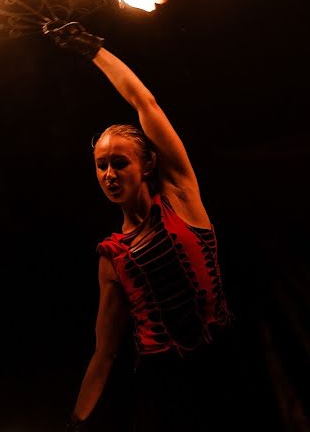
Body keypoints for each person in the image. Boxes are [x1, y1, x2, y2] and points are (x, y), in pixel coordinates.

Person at [44, 22, 235, 432]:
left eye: (119, 162)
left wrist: (92, 50)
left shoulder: (181, 195)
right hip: (164, 388)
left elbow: (142, 100)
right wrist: (75, 421)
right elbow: (105, 354)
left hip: (224, 370)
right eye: (101, 165)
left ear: (146, 164)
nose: (109, 173)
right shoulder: (111, 256)